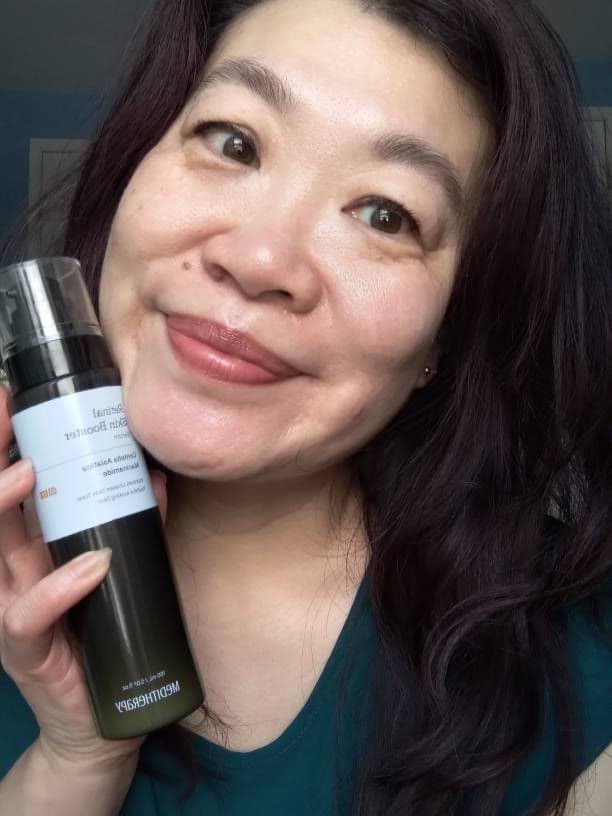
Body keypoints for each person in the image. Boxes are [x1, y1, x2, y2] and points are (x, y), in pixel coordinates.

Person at [0, 0, 611, 813]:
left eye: (385, 214)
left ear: (448, 332)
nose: (259, 260)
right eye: (234, 142)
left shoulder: (582, 661)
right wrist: (77, 762)